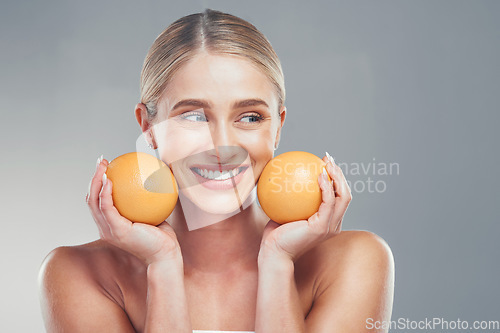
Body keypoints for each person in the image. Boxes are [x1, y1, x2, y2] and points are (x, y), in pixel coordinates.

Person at [38, 9, 394, 333]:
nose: (223, 145)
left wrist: (278, 264)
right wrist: (162, 265)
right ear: (147, 127)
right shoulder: (79, 274)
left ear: (278, 127)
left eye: (250, 117)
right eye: (194, 115)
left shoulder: (354, 262)